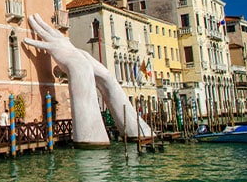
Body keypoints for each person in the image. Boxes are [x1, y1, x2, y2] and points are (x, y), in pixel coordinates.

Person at [23, 14, 152, 146]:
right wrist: (81, 68)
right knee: (97, 73)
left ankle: (135, 131)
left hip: (94, 139)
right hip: (96, 142)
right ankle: (135, 131)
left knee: (104, 76)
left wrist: (106, 79)